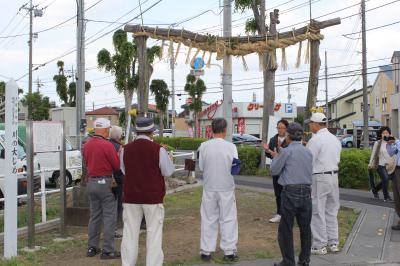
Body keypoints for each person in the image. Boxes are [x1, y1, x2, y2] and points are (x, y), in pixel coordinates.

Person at [120, 117, 174, 266]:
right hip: (152, 196)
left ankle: (127, 263)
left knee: (130, 232)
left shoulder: (125, 149)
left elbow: (124, 170)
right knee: (154, 233)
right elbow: (167, 171)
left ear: (136, 131)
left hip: (131, 196)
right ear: (152, 132)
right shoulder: (159, 149)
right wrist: (170, 159)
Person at [270, 122, 313, 266]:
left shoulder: (286, 151)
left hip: (290, 192)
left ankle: (288, 261)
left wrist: (277, 156)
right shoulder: (308, 151)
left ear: (288, 136)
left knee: (286, 229)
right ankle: (304, 260)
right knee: (305, 228)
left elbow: (274, 170)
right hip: (306, 192)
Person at [198, 118, 239, 262]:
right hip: (226, 186)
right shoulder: (231, 147)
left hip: (209, 186)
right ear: (225, 130)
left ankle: (206, 251)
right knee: (228, 218)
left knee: (208, 218)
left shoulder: (203, 146)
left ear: (211, 129)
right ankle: (229, 251)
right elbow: (235, 168)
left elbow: (201, 167)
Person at [83, 118, 121, 259]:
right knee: (109, 217)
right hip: (105, 183)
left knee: (94, 216)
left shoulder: (86, 145)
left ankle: (92, 247)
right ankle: (108, 250)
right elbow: (116, 166)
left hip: (91, 182)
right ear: (106, 130)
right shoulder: (107, 145)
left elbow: (86, 163)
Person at [305, 112, 342, 255]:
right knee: (331, 211)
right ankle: (333, 243)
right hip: (334, 176)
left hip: (320, 177)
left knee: (317, 211)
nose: (309, 125)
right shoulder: (334, 139)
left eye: (310, 123)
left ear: (315, 124)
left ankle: (320, 245)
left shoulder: (315, 140)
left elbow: (309, 161)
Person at [263, 119, 289, 223]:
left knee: (287, 192)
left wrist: (277, 154)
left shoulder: (290, 139)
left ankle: (287, 214)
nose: (279, 130)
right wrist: (267, 151)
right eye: (278, 127)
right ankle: (279, 213)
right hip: (277, 170)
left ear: (286, 128)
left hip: (287, 170)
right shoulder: (273, 139)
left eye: (282, 128)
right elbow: (269, 154)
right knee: (278, 193)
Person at [368, 126, 396, 201]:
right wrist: (370, 164)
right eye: (383, 133)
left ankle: (375, 190)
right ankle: (386, 196)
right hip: (380, 165)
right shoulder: (378, 143)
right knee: (386, 178)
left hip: (390, 166)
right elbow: (373, 154)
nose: (385, 134)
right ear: (381, 134)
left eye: (387, 133)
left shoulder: (391, 142)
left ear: (389, 134)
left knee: (385, 180)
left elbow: (394, 154)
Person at [109, 125, 125, 237]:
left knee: (107, 205)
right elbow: (121, 165)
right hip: (118, 179)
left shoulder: (106, 145)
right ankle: (113, 229)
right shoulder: (120, 147)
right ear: (119, 136)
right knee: (117, 205)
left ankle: (108, 228)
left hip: (105, 178)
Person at [386, 136, 400, 230]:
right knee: (397, 196)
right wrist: (389, 144)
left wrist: (396, 142)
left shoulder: (398, 142)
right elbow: (391, 153)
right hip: (397, 170)